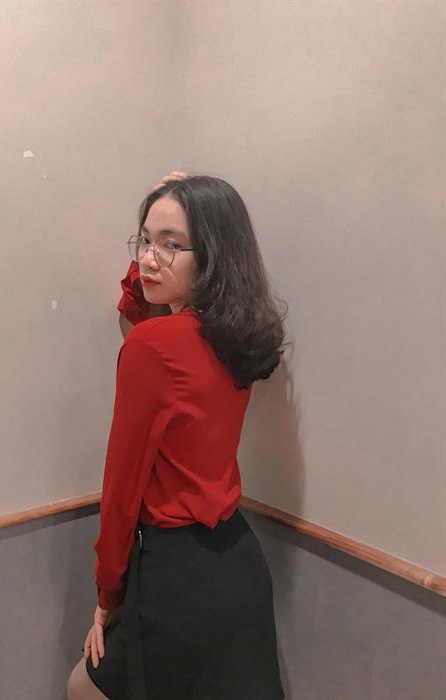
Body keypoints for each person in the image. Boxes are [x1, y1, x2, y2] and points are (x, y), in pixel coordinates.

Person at [67, 171, 288, 700]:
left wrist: (108, 593)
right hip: (236, 561)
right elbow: (140, 304)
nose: (149, 258)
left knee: (83, 686)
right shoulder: (237, 332)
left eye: (170, 245)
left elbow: (122, 489)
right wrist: (172, 217)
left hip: (175, 573)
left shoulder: (153, 347)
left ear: (212, 256)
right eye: (144, 240)